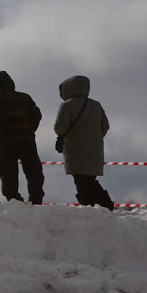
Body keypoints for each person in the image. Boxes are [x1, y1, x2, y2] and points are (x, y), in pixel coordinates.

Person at [0, 70, 45, 204]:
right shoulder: (24, 98)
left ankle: (13, 199)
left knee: (8, 172)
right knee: (33, 170)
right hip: (26, 139)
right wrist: (30, 129)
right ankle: (36, 197)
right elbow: (37, 114)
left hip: (5, 142)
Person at [55, 75, 114, 210]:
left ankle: (96, 206)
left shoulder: (66, 105)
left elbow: (60, 128)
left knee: (81, 180)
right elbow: (105, 126)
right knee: (89, 179)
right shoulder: (96, 105)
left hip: (75, 150)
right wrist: (95, 139)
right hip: (94, 150)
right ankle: (96, 206)